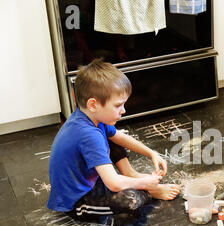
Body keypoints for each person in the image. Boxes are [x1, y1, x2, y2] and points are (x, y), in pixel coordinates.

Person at [47, 58, 180, 216]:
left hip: (91, 177)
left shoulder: (91, 117)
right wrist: (145, 184)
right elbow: (114, 184)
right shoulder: (88, 135)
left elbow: (118, 137)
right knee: (132, 200)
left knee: (113, 137)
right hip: (77, 199)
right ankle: (149, 191)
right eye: (118, 105)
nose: (123, 110)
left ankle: (131, 175)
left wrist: (151, 153)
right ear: (93, 104)